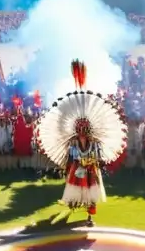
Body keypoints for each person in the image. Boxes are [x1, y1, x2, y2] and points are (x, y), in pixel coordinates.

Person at [35, 61, 125, 227]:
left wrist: (91, 163)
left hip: (91, 171)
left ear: (88, 130)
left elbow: (98, 157)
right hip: (78, 171)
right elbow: (70, 158)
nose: (82, 132)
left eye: (84, 130)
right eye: (80, 130)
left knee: (91, 197)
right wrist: (71, 167)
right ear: (77, 130)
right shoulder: (74, 143)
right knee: (76, 194)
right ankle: (72, 207)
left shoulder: (94, 143)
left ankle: (90, 218)